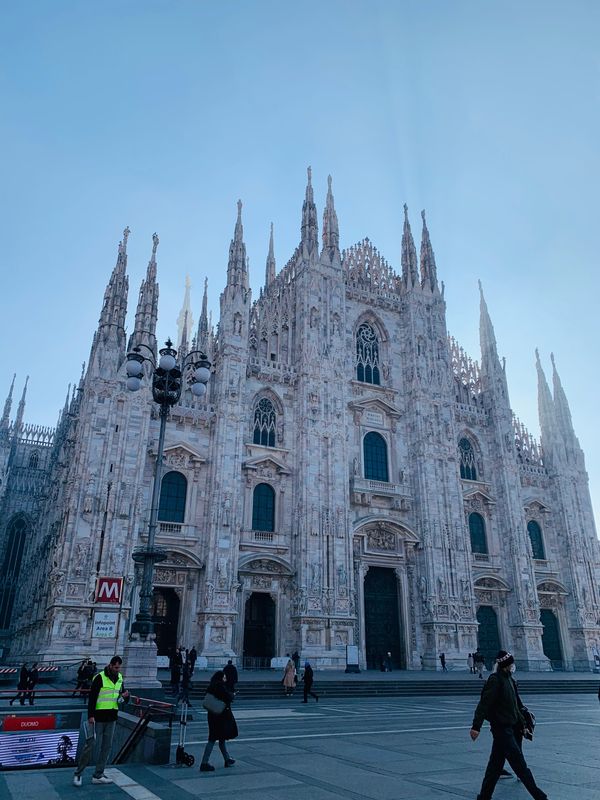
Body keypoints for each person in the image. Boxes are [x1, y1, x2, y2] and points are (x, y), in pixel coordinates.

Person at [469, 650, 547, 800]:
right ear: (506, 665)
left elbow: (516, 706)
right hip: (501, 729)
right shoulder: (495, 680)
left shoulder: (510, 680)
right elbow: (484, 705)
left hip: (510, 728)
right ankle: (541, 797)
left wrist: (523, 724)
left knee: (494, 767)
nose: (513, 666)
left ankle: (484, 797)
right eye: (511, 663)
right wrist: (476, 726)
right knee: (521, 767)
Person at [72, 655, 129, 787]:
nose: (118, 670)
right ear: (110, 665)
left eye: (119, 667)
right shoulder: (99, 677)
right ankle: (78, 774)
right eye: (116, 667)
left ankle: (98, 775)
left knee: (106, 747)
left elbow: (120, 697)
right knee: (90, 745)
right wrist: (90, 715)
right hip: (97, 717)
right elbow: (92, 698)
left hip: (111, 717)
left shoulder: (120, 678)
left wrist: (125, 697)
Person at [200, 670, 237, 772]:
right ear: (220, 678)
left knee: (221, 738)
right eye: (224, 677)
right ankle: (204, 762)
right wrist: (232, 694)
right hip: (220, 716)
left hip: (212, 714)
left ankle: (227, 759)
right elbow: (228, 697)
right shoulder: (220, 686)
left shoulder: (211, 686)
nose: (225, 679)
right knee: (213, 739)